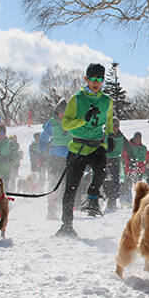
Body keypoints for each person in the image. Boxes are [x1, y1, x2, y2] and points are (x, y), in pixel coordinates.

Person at [57, 63, 114, 237]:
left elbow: (109, 121)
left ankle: (92, 197)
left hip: (96, 146)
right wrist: (83, 119)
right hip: (77, 147)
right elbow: (66, 124)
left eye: (100, 80)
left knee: (100, 171)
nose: (96, 83)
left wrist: (110, 136)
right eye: (93, 79)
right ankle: (66, 225)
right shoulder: (77, 99)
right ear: (86, 79)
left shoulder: (107, 101)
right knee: (70, 189)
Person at [39, 100, 70, 220]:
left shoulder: (71, 122)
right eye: (60, 113)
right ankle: (51, 209)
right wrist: (42, 151)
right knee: (53, 183)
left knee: (68, 184)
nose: (62, 115)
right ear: (56, 112)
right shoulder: (51, 122)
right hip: (55, 156)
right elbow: (44, 137)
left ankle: (67, 210)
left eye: (64, 113)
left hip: (69, 157)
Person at [103, 118, 124, 213]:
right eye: (114, 126)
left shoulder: (120, 135)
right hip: (105, 159)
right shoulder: (105, 134)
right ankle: (107, 198)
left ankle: (113, 201)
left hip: (115, 159)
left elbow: (122, 148)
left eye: (117, 126)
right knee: (106, 179)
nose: (115, 128)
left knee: (115, 180)